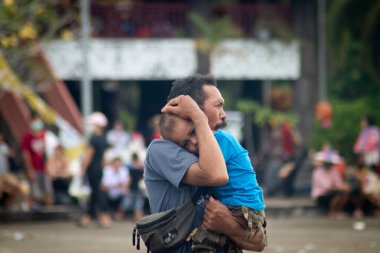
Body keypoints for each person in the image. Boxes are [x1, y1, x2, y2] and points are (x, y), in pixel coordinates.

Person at [145, 74, 267, 253]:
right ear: (191, 109)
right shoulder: (161, 150)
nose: (223, 114)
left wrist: (229, 225)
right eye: (217, 105)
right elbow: (216, 175)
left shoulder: (221, 144)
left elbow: (259, 242)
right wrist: (199, 119)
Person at [160, 112, 267, 252]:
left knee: (202, 242)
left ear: (201, 124)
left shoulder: (220, 141)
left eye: (193, 132)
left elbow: (210, 173)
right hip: (243, 207)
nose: (194, 142)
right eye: (185, 143)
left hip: (241, 208)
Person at [78, 112, 112, 228]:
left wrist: (82, 169)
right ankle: (88, 217)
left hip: (92, 168)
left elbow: (88, 155)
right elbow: (103, 157)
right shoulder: (103, 138)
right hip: (99, 168)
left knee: (97, 192)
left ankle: (104, 216)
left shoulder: (93, 138)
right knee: (95, 192)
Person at [21, 113, 53, 208]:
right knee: (33, 192)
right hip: (34, 169)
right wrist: (30, 169)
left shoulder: (46, 136)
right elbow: (26, 155)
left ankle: (49, 213)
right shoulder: (27, 137)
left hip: (45, 169)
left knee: (48, 191)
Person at [311, 149, 350, 219]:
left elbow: (339, 183)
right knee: (339, 193)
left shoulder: (334, 171)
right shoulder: (318, 172)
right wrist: (339, 187)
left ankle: (337, 212)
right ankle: (332, 212)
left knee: (344, 193)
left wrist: (343, 187)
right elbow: (327, 186)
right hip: (322, 195)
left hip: (333, 192)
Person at [101, 156, 129, 221]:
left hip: (119, 194)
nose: (117, 166)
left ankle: (119, 213)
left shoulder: (124, 170)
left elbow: (125, 185)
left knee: (128, 194)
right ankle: (104, 214)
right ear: (112, 164)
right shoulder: (106, 170)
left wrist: (113, 185)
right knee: (101, 193)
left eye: (118, 164)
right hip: (108, 194)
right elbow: (104, 186)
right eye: (115, 164)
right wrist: (117, 185)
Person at [122, 152, 145, 221]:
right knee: (136, 203)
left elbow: (129, 180)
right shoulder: (140, 169)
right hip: (136, 189)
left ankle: (136, 216)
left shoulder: (132, 169)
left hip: (135, 189)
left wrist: (126, 188)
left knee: (134, 203)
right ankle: (137, 216)